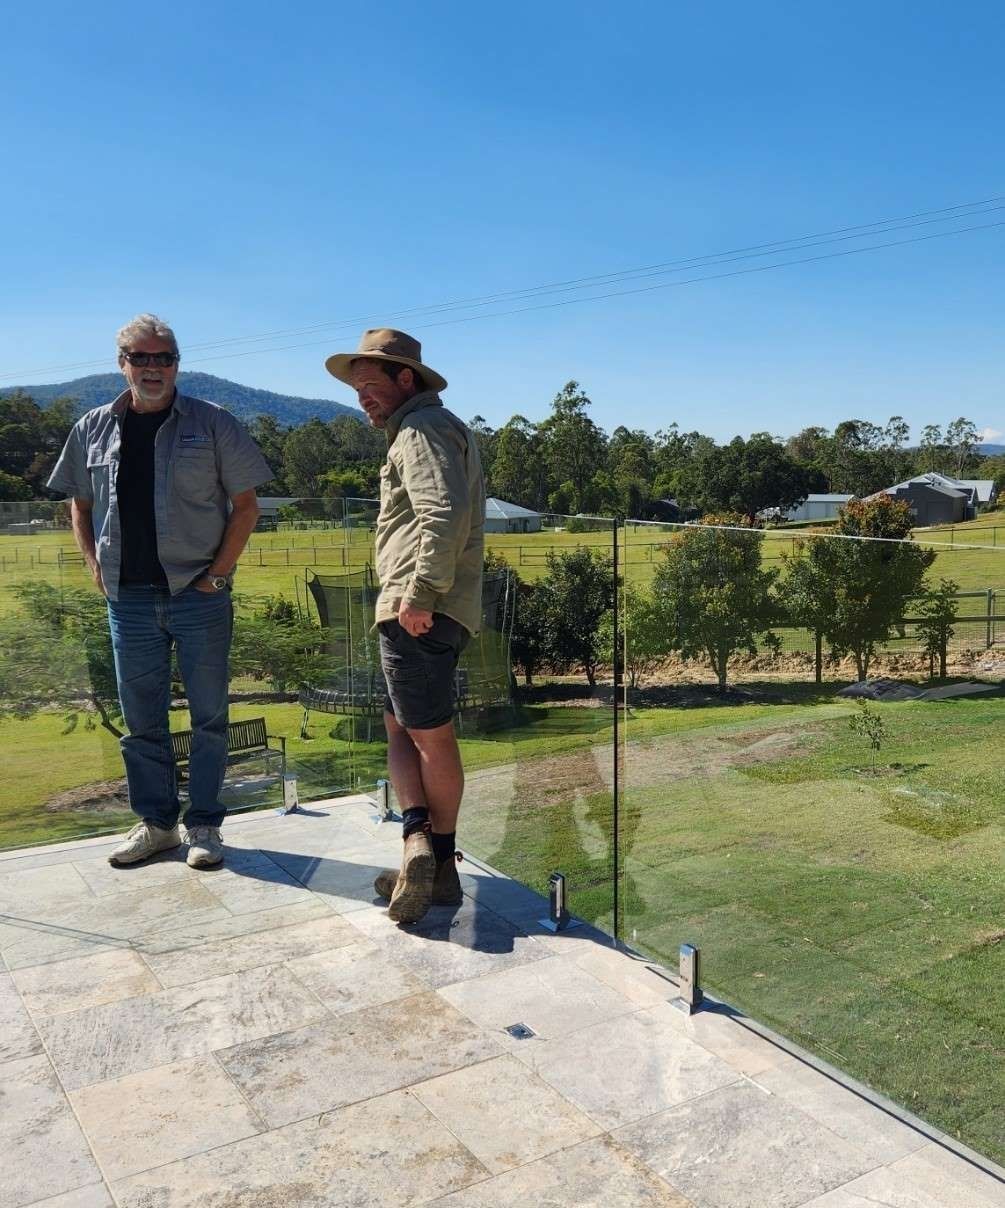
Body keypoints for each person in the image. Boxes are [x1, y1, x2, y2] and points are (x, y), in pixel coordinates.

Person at [47, 314, 273, 869]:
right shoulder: (92, 427)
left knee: (209, 717)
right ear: (122, 362)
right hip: (128, 598)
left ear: (177, 363)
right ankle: (156, 825)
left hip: (199, 594)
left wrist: (217, 575)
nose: (153, 367)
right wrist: (94, 565)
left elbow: (247, 507)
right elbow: (78, 505)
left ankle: (204, 828)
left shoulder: (214, 423)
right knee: (141, 720)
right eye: (141, 357)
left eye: (164, 357)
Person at [325, 329, 485, 923]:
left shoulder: (420, 430)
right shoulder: (430, 429)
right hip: (432, 606)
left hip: (417, 607)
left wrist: (417, 595)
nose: (363, 396)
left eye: (372, 385)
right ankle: (438, 872)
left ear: (406, 380)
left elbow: (445, 513)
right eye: (357, 388)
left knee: (421, 736)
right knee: (405, 724)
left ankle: (419, 842)